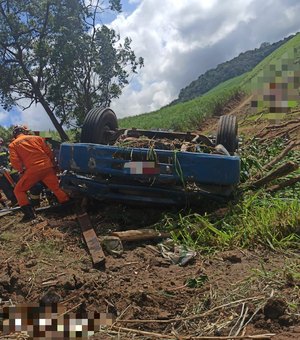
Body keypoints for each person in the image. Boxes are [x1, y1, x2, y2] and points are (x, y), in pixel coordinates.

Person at [9, 125, 70, 221]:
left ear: (15, 134)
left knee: (18, 190)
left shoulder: (13, 145)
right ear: (24, 132)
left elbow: (15, 161)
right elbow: (49, 152)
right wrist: (54, 166)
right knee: (56, 188)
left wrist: (21, 170)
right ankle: (68, 207)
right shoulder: (37, 138)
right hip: (47, 167)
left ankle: (29, 214)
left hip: (33, 170)